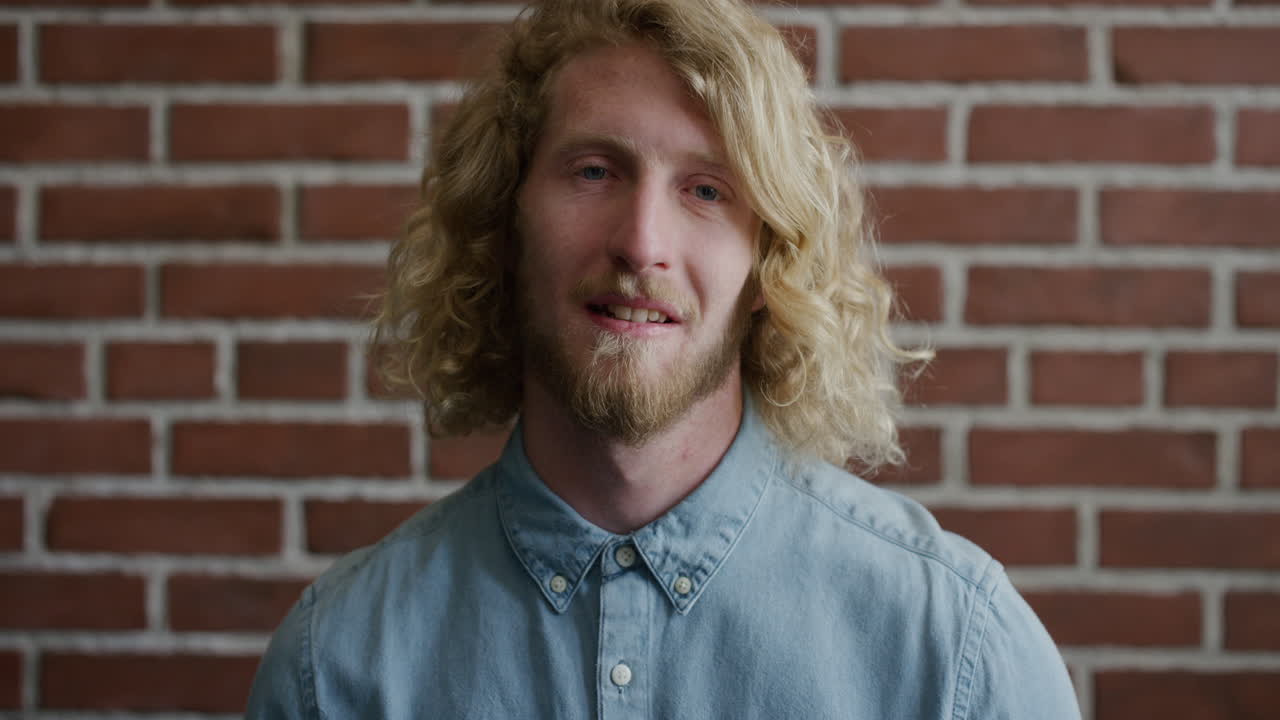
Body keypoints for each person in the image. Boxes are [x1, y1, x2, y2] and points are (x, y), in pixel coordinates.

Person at [247, 0, 1082, 717]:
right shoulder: (337, 667)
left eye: (706, 190)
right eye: (595, 170)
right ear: (505, 224)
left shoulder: (959, 655)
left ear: (769, 262)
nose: (643, 243)